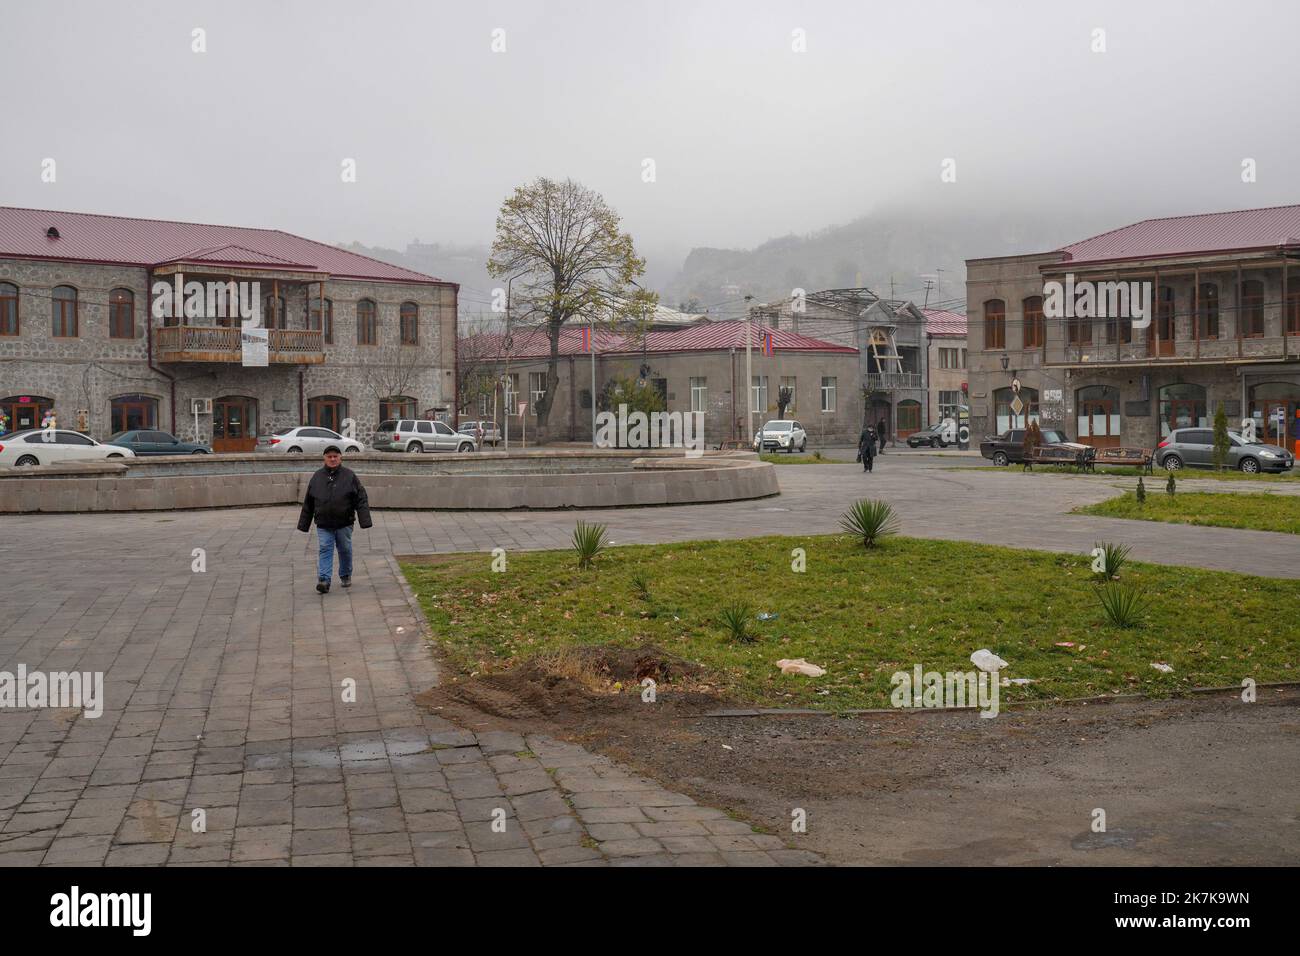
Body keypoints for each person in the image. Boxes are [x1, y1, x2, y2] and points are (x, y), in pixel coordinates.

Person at [298, 444, 372, 594]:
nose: (332, 459)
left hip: (344, 522)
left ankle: (345, 574)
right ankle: (324, 580)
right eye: (329, 457)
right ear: (324, 458)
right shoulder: (317, 477)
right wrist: (304, 524)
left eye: (335, 456)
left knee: (344, 549)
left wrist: (365, 520)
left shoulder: (349, 476)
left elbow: (361, 498)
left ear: (340, 458)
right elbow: (309, 502)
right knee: (325, 548)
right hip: (324, 523)